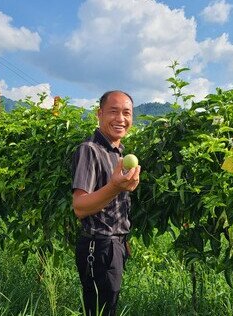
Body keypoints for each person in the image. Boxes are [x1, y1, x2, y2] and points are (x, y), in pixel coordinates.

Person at [71, 90, 141, 316]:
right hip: (98, 246)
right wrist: (115, 187)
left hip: (113, 245)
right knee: (99, 310)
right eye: (113, 112)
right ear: (99, 114)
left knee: (108, 307)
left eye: (126, 113)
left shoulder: (117, 152)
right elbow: (80, 207)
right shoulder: (90, 150)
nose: (121, 119)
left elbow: (114, 205)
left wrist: (121, 238)